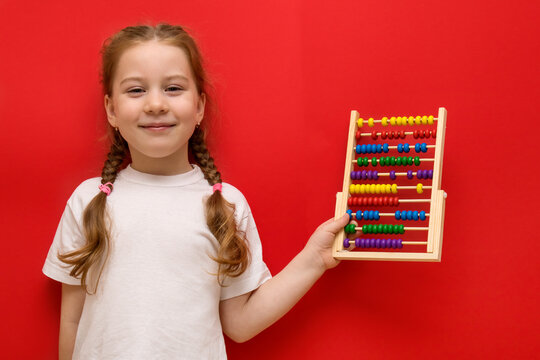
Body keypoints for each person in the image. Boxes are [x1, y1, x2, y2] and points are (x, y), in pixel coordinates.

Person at [42, 23, 349, 360]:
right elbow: (71, 321)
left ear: (199, 106)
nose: (156, 104)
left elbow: (241, 324)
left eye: (173, 88)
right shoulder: (87, 200)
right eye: (136, 90)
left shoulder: (226, 203)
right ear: (112, 109)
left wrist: (313, 260)